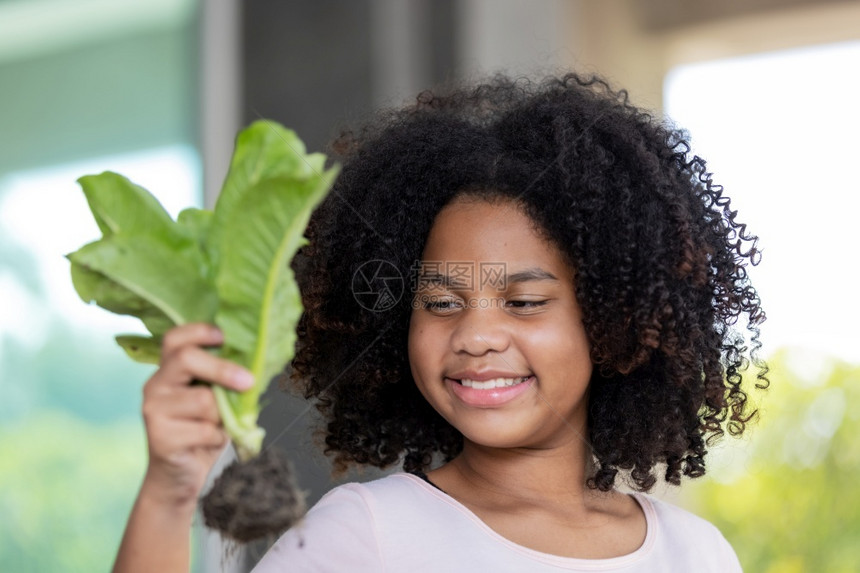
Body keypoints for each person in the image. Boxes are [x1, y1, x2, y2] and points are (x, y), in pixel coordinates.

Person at [112, 73, 767, 572]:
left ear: (612, 317)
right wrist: (169, 493)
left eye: (524, 301)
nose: (475, 336)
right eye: (442, 301)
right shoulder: (366, 534)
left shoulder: (697, 552)